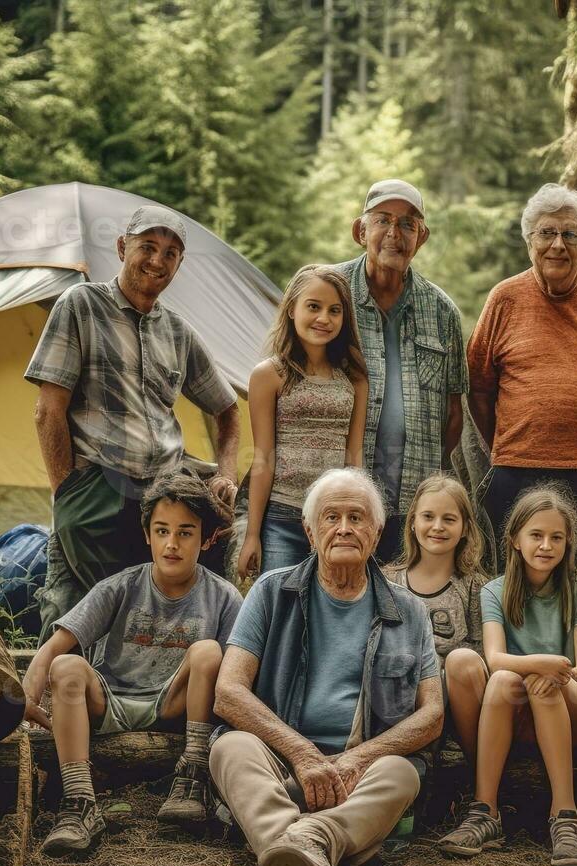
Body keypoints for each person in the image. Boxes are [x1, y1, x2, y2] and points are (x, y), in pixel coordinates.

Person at [208, 468, 442, 866]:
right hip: (282, 766)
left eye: (357, 517)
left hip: (358, 775)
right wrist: (301, 753)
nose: (345, 528)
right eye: (331, 517)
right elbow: (228, 691)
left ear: (376, 532)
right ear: (310, 532)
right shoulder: (271, 591)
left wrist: (358, 757)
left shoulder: (409, 610)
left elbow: (432, 714)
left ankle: (300, 841)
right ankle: (322, 847)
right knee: (231, 748)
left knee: (402, 773)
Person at [27, 205, 240, 641]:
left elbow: (229, 410)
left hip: (163, 495)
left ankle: (159, 695)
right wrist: (67, 493)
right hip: (97, 487)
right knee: (80, 617)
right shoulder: (81, 305)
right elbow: (48, 410)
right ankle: (64, 697)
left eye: (171, 253)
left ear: (180, 264)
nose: (157, 261)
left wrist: (227, 474)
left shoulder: (178, 332)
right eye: (148, 247)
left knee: (147, 620)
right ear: (122, 247)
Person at [22, 474, 243, 856]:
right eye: (162, 531)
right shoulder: (121, 586)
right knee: (67, 666)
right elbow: (53, 648)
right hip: (110, 700)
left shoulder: (223, 597)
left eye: (186, 533)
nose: (171, 544)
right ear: (147, 535)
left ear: (207, 539)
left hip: (174, 703)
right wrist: (27, 694)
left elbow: (234, 676)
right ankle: (80, 802)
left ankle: (193, 775)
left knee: (208, 651)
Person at [467, 183, 577, 561]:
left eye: (570, 234)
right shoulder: (503, 298)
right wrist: (503, 443)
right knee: (514, 579)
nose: (558, 245)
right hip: (516, 469)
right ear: (529, 239)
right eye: (547, 233)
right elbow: (478, 388)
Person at [437, 485, 577, 866]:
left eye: (556, 537)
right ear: (515, 541)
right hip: (514, 705)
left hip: (568, 704)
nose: (546, 545)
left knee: (541, 685)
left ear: (568, 541)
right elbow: (493, 657)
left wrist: (548, 672)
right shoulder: (495, 590)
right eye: (536, 536)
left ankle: (565, 817)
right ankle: (485, 810)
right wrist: (541, 664)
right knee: (504, 679)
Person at [334, 179, 468, 562]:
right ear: (361, 231)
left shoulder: (442, 311)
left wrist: (435, 480)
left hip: (414, 503)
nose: (394, 234)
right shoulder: (329, 293)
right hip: (341, 496)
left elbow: (454, 411)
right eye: (382, 221)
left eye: (408, 224)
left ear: (421, 237)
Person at [238, 265, 369, 579]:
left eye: (334, 310)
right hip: (282, 517)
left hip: (334, 521)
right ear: (292, 310)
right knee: (282, 608)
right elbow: (263, 457)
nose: (324, 318)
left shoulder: (354, 377)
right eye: (314, 306)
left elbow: (354, 457)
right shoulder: (269, 374)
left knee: (330, 604)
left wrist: (357, 519)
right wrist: (252, 534)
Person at [382, 473, 489, 762]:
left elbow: (482, 655)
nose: (437, 527)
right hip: (399, 695)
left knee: (459, 662)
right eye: (428, 516)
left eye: (449, 519)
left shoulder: (475, 587)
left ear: (465, 528)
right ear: (413, 521)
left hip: (456, 697)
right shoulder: (388, 582)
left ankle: (474, 773)